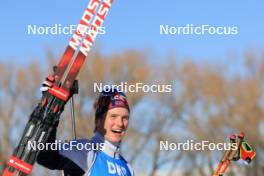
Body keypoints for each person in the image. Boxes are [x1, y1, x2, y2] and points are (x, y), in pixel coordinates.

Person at [37, 77, 134, 176]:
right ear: (98, 121)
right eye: (113, 116)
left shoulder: (127, 168)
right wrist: (52, 111)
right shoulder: (86, 151)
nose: (120, 123)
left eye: (125, 118)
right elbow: (46, 156)